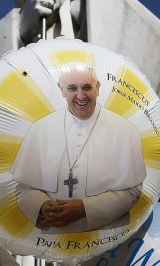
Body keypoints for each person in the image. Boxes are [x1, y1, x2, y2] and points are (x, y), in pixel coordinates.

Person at [11, 64, 145, 232]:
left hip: (107, 236)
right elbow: (24, 187)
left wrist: (84, 208)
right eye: (72, 88)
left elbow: (132, 192)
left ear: (97, 88)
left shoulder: (126, 131)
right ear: (62, 90)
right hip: (54, 236)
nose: (80, 95)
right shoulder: (40, 130)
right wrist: (41, 206)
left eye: (87, 87)